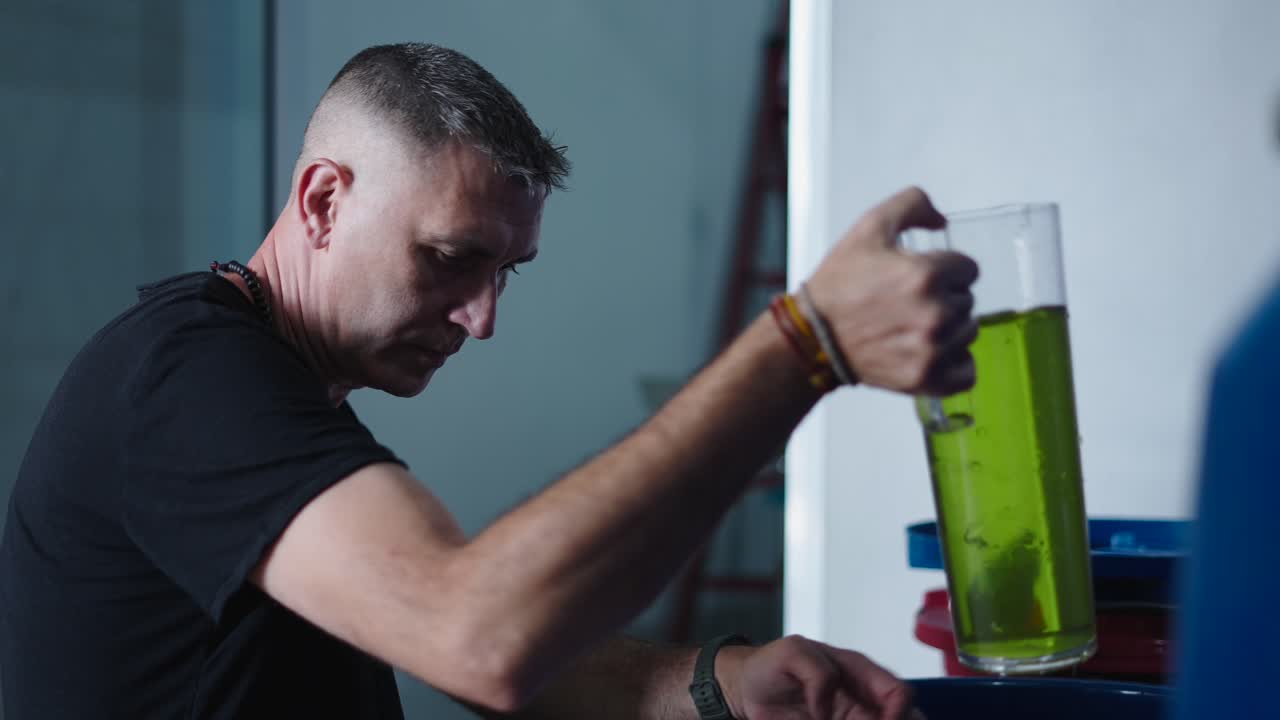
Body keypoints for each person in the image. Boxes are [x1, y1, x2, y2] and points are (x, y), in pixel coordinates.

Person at [0, 43, 978, 720]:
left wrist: (723, 683)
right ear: (324, 200)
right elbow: (477, 636)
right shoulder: (189, 383)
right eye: (449, 257)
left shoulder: (277, 390)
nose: (482, 317)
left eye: (504, 271)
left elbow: (470, 650)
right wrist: (800, 346)